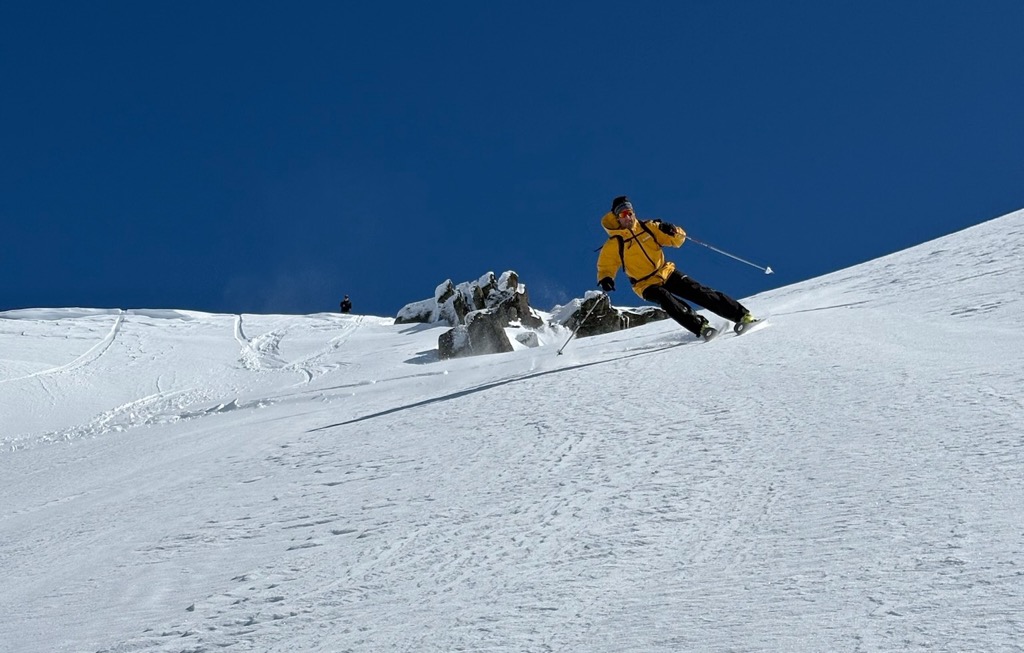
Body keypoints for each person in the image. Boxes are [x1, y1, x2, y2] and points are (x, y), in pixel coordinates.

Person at [596, 195, 757, 341]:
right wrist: (606, 278)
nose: (628, 217)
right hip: (644, 284)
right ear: (618, 218)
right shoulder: (615, 242)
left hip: (666, 271)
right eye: (624, 215)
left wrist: (672, 230)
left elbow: (678, 241)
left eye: (630, 212)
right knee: (666, 300)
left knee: (699, 292)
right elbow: (607, 264)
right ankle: (700, 326)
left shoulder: (648, 227)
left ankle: (742, 316)